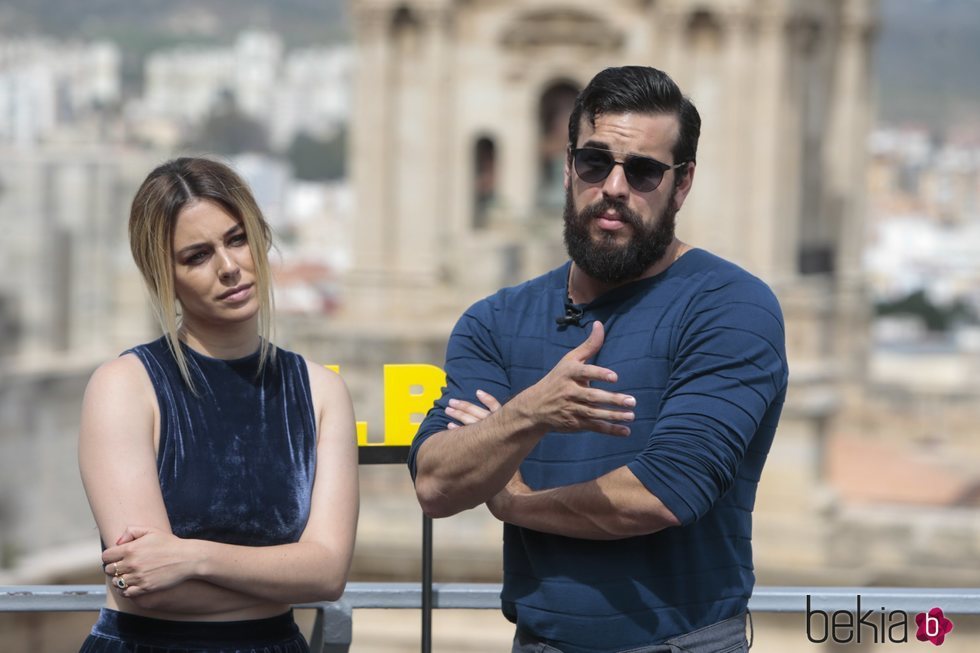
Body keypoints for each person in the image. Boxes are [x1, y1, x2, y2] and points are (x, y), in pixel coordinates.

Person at [409, 66, 788, 653]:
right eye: (594, 162)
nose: (613, 187)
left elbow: (662, 493)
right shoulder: (495, 321)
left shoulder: (730, 307)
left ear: (681, 184)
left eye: (642, 171)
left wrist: (511, 500)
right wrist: (531, 414)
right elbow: (436, 482)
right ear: (567, 167)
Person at [77, 157, 359, 653]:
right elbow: (145, 587)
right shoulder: (124, 386)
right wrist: (281, 575)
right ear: (164, 275)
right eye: (197, 256)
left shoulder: (320, 392)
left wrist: (192, 558)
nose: (229, 267)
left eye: (236, 239)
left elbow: (328, 574)